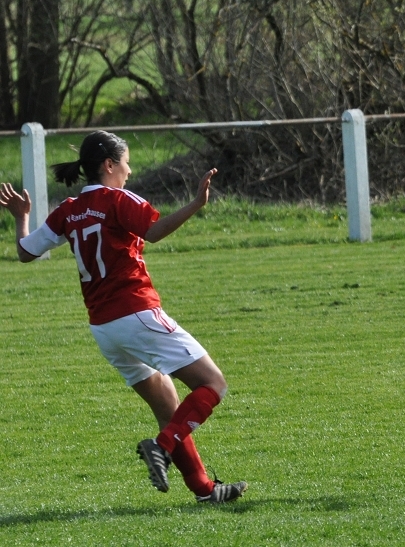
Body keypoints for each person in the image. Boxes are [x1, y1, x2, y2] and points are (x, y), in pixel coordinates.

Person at [0, 130, 248, 503]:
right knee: (213, 384)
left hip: (104, 328)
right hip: (136, 313)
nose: (129, 171)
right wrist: (196, 204)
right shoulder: (117, 199)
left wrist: (22, 217)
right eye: (126, 162)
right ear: (109, 164)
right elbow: (155, 231)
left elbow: (25, 252)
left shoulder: (69, 209)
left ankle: (205, 491)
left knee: (168, 405)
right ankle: (162, 446)